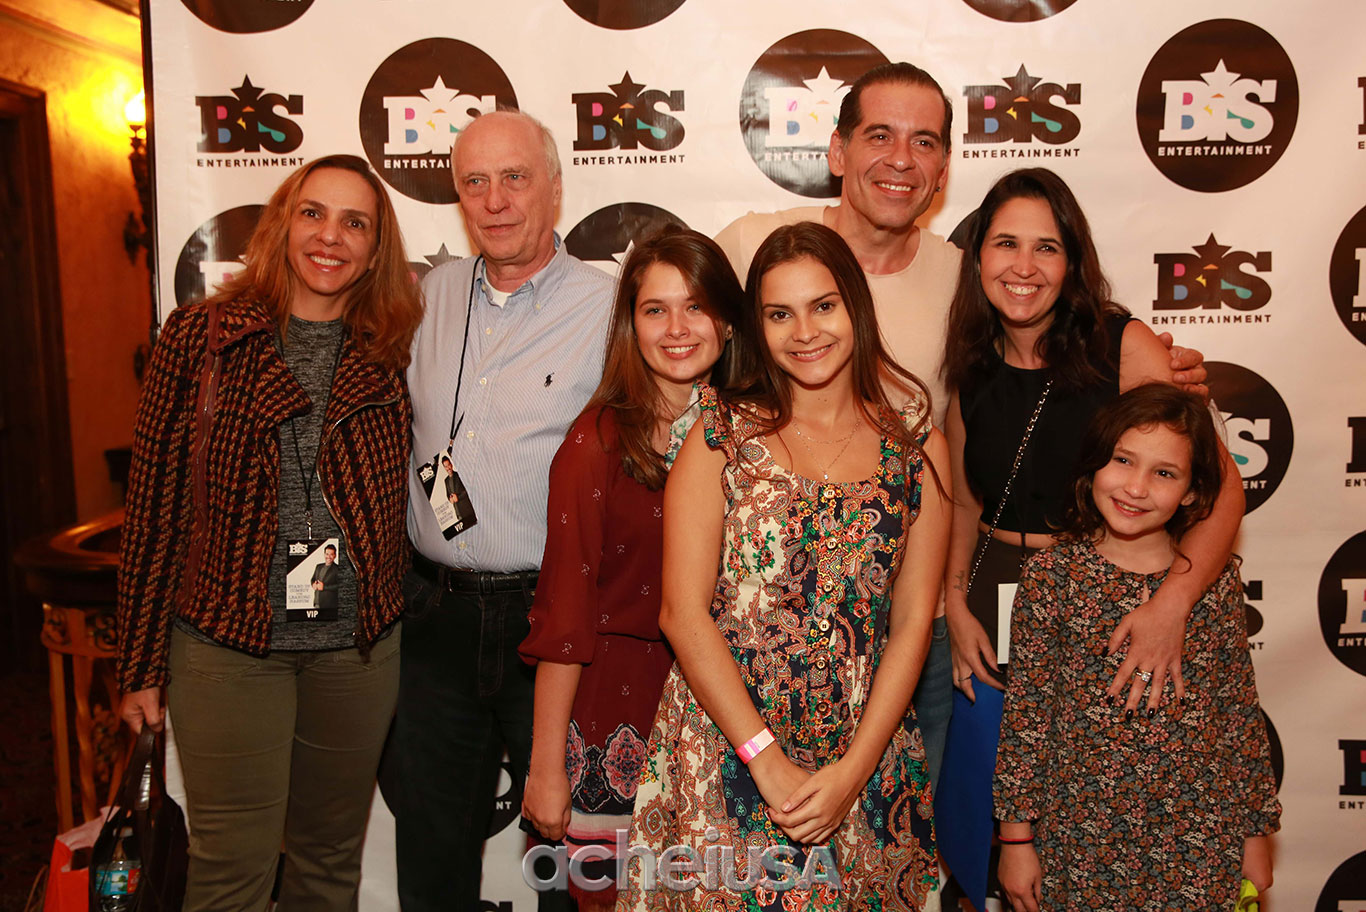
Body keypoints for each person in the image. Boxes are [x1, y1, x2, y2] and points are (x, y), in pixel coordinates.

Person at [715, 62, 1208, 793]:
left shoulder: (966, 281)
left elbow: (999, 417)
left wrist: (1165, 372)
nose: (901, 159)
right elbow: (676, 358)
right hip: (767, 614)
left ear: (944, 167)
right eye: (879, 135)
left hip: (916, 617)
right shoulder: (751, 247)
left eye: (924, 141)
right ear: (838, 150)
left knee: (928, 814)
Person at [116, 153, 422, 909]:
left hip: (354, 654)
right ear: (283, 223)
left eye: (355, 222)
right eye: (313, 213)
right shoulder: (201, 338)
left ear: (376, 248)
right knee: (230, 871)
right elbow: (154, 509)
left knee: (329, 863)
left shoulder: (394, 347)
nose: (330, 236)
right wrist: (139, 664)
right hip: (228, 647)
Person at [935, 167, 1245, 909]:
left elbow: (1222, 489)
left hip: (1103, 599)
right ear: (977, 256)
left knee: (1094, 807)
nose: (1024, 266)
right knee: (987, 809)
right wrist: (954, 600)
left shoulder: (1120, 345)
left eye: (1046, 247)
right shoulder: (972, 359)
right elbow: (966, 500)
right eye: (1005, 243)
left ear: (1073, 260)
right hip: (990, 596)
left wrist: (1170, 606)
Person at [619, 222, 949, 910]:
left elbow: (914, 623)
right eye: (779, 314)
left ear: (856, 305)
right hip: (727, 746)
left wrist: (854, 772)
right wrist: (764, 759)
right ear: (757, 326)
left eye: (823, 306)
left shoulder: (916, 448)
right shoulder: (720, 435)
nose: (804, 332)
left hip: (864, 751)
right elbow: (682, 614)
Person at [393, 109, 613, 912]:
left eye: (514, 178)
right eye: (475, 182)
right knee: (431, 853)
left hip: (552, 624)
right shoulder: (429, 296)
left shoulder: (611, 308)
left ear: (554, 186)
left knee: (569, 856)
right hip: (433, 617)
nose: (495, 201)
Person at [518, 227, 743, 910]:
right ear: (630, 325)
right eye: (655, 309)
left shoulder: (761, 434)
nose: (676, 328)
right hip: (619, 717)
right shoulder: (597, 443)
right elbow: (564, 616)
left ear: (729, 320)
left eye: (695, 306)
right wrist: (545, 766)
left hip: (734, 713)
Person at [995, 384, 1280, 911]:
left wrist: (1256, 830)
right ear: (1094, 465)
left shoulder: (1212, 584)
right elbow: (1026, 719)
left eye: (1165, 473)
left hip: (1199, 835)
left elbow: (1238, 711)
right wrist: (1016, 841)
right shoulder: (1052, 576)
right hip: (1079, 837)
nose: (1136, 487)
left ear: (1192, 492)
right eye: (1123, 460)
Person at [311, 543, 340, 613]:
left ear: (335, 555)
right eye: (327, 554)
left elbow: (339, 586)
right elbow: (313, 579)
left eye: (331, 554)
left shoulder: (337, 569)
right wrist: (313, 584)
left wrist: (324, 587)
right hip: (317, 603)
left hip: (329, 605)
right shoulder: (318, 567)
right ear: (324, 554)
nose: (329, 557)